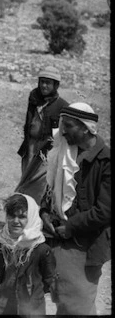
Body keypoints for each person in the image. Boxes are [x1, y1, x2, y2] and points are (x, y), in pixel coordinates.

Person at [40, 103, 111, 315]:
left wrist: (70, 226)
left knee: (77, 304)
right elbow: (50, 188)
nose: (62, 131)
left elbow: (105, 211)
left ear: (85, 128)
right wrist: (44, 212)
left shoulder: (105, 161)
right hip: (57, 238)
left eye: (68, 126)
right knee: (61, 296)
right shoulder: (64, 153)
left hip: (85, 244)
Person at [0, 193, 58, 315]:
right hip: (2, 302)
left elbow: (49, 281)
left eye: (22, 217)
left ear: (31, 218)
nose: (15, 221)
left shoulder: (41, 250)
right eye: (11, 216)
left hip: (31, 308)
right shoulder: (0, 243)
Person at [15, 67, 68, 204]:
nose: (44, 85)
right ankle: (23, 210)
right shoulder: (34, 99)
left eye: (48, 83)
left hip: (47, 150)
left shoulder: (62, 105)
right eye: (42, 82)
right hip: (30, 146)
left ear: (55, 85)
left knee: (39, 183)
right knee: (26, 177)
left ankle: (32, 211)